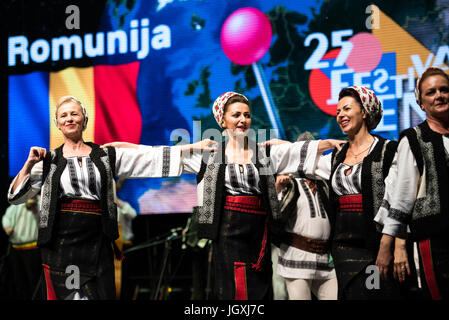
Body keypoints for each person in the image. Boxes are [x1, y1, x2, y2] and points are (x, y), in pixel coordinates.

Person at [106, 91, 342, 300]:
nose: (243, 120)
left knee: (260, 289)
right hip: (228, 233)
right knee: (235, 290)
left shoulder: (263, 152)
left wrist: (328, 142)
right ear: (223, 120)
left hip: (258, 234)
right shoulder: (209, 153)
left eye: (247, 115)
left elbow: (298, 151)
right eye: (236, 115)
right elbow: (156, 155)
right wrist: (114, 149)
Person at [7, 95, 216, 300]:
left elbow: (149, 156)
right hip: (62, 246)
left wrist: (188, 149)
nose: (69, 118)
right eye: (63, 116)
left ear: (84, 120)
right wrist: (28, 164)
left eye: (74, 114)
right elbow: (15, 196)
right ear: (57, 124)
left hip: (97, 242)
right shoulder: (48, 162)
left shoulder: (105, 155)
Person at [270, 86, 401, 299]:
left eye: (347, 109)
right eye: (338, 111)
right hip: (343, 249)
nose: (340, 115)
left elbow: (397, 202)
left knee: (373, 294)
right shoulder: (335, 159)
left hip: (374, 247)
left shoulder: (387, 151)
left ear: (365, 112)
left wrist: (388, 245)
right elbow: (297, 158)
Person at [375, 67, 449, 300]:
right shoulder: (413, 139)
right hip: (433, 241)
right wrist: (388, 245)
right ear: (421, 103)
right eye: (431, 92)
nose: (439, 95)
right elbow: (402, 196)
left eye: (444, 90)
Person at [274, 132, 338, 300]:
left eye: (317, 153)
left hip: (325, 258)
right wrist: (279, 189)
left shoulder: (325, 183)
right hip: (296, 256)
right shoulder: (290, 181)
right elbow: (276, 215)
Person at [2, 195, 42, 299]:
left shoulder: (40, 204)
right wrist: (7, 227)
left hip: (32, 248)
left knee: (33, 278)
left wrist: (35, 207)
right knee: (19, 279)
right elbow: (6, 217)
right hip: (16, 248)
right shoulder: (17, 205)